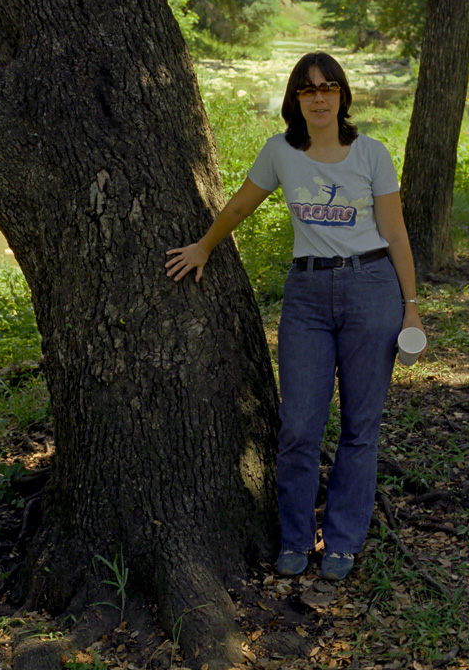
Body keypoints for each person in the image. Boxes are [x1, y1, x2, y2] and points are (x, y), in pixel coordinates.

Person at [165, 51, 426, 581]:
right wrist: (204, 247)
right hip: (306, 295)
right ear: (295, 99)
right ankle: (295, 539)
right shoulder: (280, 152)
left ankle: (343, 544)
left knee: (360, 428)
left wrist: (412, 309)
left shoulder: (372, 154)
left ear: (343, 95)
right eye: (308, 90)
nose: (320, 97)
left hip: (372, 291)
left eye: (329, 87)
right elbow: (240, 205)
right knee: (299, 426)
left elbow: (396, 234)